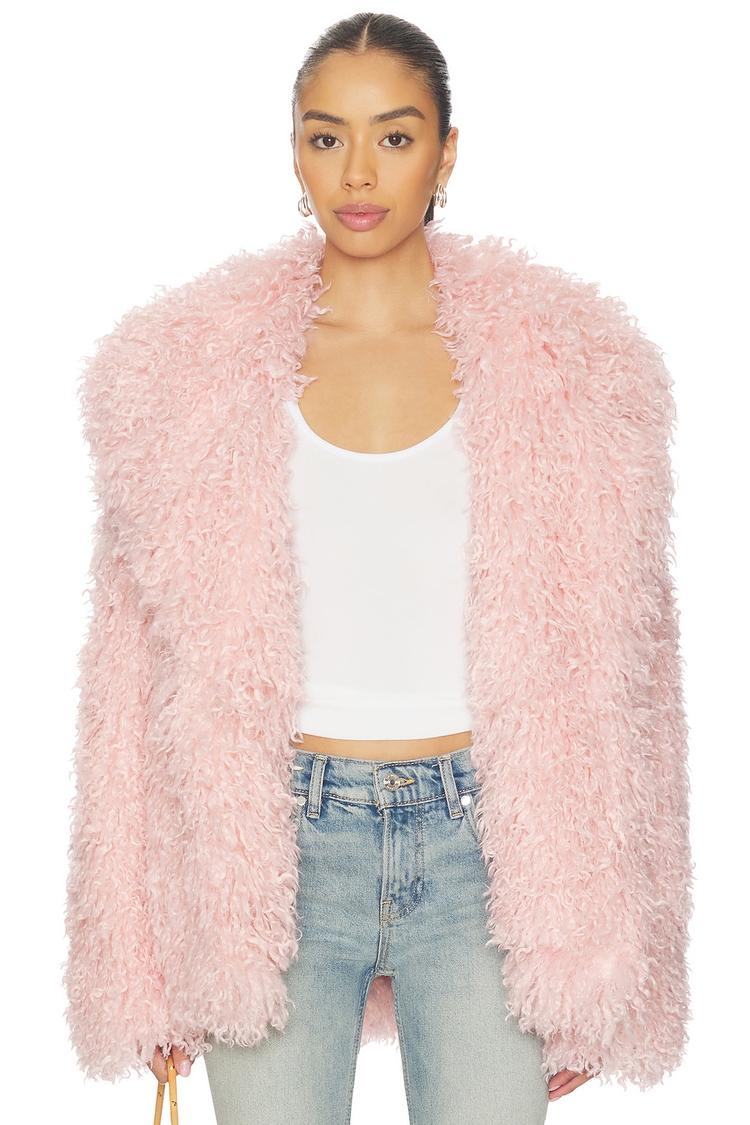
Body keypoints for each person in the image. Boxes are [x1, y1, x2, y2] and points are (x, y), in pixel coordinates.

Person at [63, 13, 693, 1125]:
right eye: (327, 137)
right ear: (294, 151)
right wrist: (141, 962)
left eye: (394, 137)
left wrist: (620, 963)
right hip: (268, 858)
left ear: (447, 152)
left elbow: (635, 687)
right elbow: (127, 688)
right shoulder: (181, 380)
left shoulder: (576, 373)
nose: (357, 173)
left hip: (495, 857)